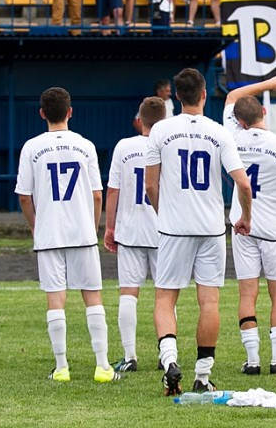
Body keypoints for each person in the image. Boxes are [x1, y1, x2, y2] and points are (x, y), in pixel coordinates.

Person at [146, 68, 252, 395]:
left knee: (166, 297)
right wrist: (245, 216)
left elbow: (150, 183)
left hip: (174, 228)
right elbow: (243, 183)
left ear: (176, 97)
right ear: (204, 95)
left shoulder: (161, 130)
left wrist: (165, 213)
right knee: (209, 301)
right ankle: (203, 375)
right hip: (210, 228)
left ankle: (169, 361)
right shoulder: (220, 132)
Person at [15, 87, 121, 383]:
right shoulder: (85, 145)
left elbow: (24, 197)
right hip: (82, 232)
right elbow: (97, 194)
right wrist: (93, 226)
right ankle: (102, 367)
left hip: (49, 234)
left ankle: (61, 368)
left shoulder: (31, 147)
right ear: (70, 112)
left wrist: (36, 226)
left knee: (55, 299)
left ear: (42, 114)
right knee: (93, 296)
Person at [222, 77, 276, 375]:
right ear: (264, 114)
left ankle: (253, 360)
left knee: (247, 293)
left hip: (244, 225)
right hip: (274, 228)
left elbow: (233, 94)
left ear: (240, 121)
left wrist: (268, 84)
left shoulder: (231, 136)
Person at [104, 96, 168, 373]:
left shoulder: (124, 147)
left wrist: (109, 227)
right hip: (164, 229)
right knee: (166, 295)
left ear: (139, 120)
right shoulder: (168, 146)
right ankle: (166, 353)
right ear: (164, 121)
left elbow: (113, 190)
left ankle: (130, 356)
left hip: (130, 230)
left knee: (129, 293)